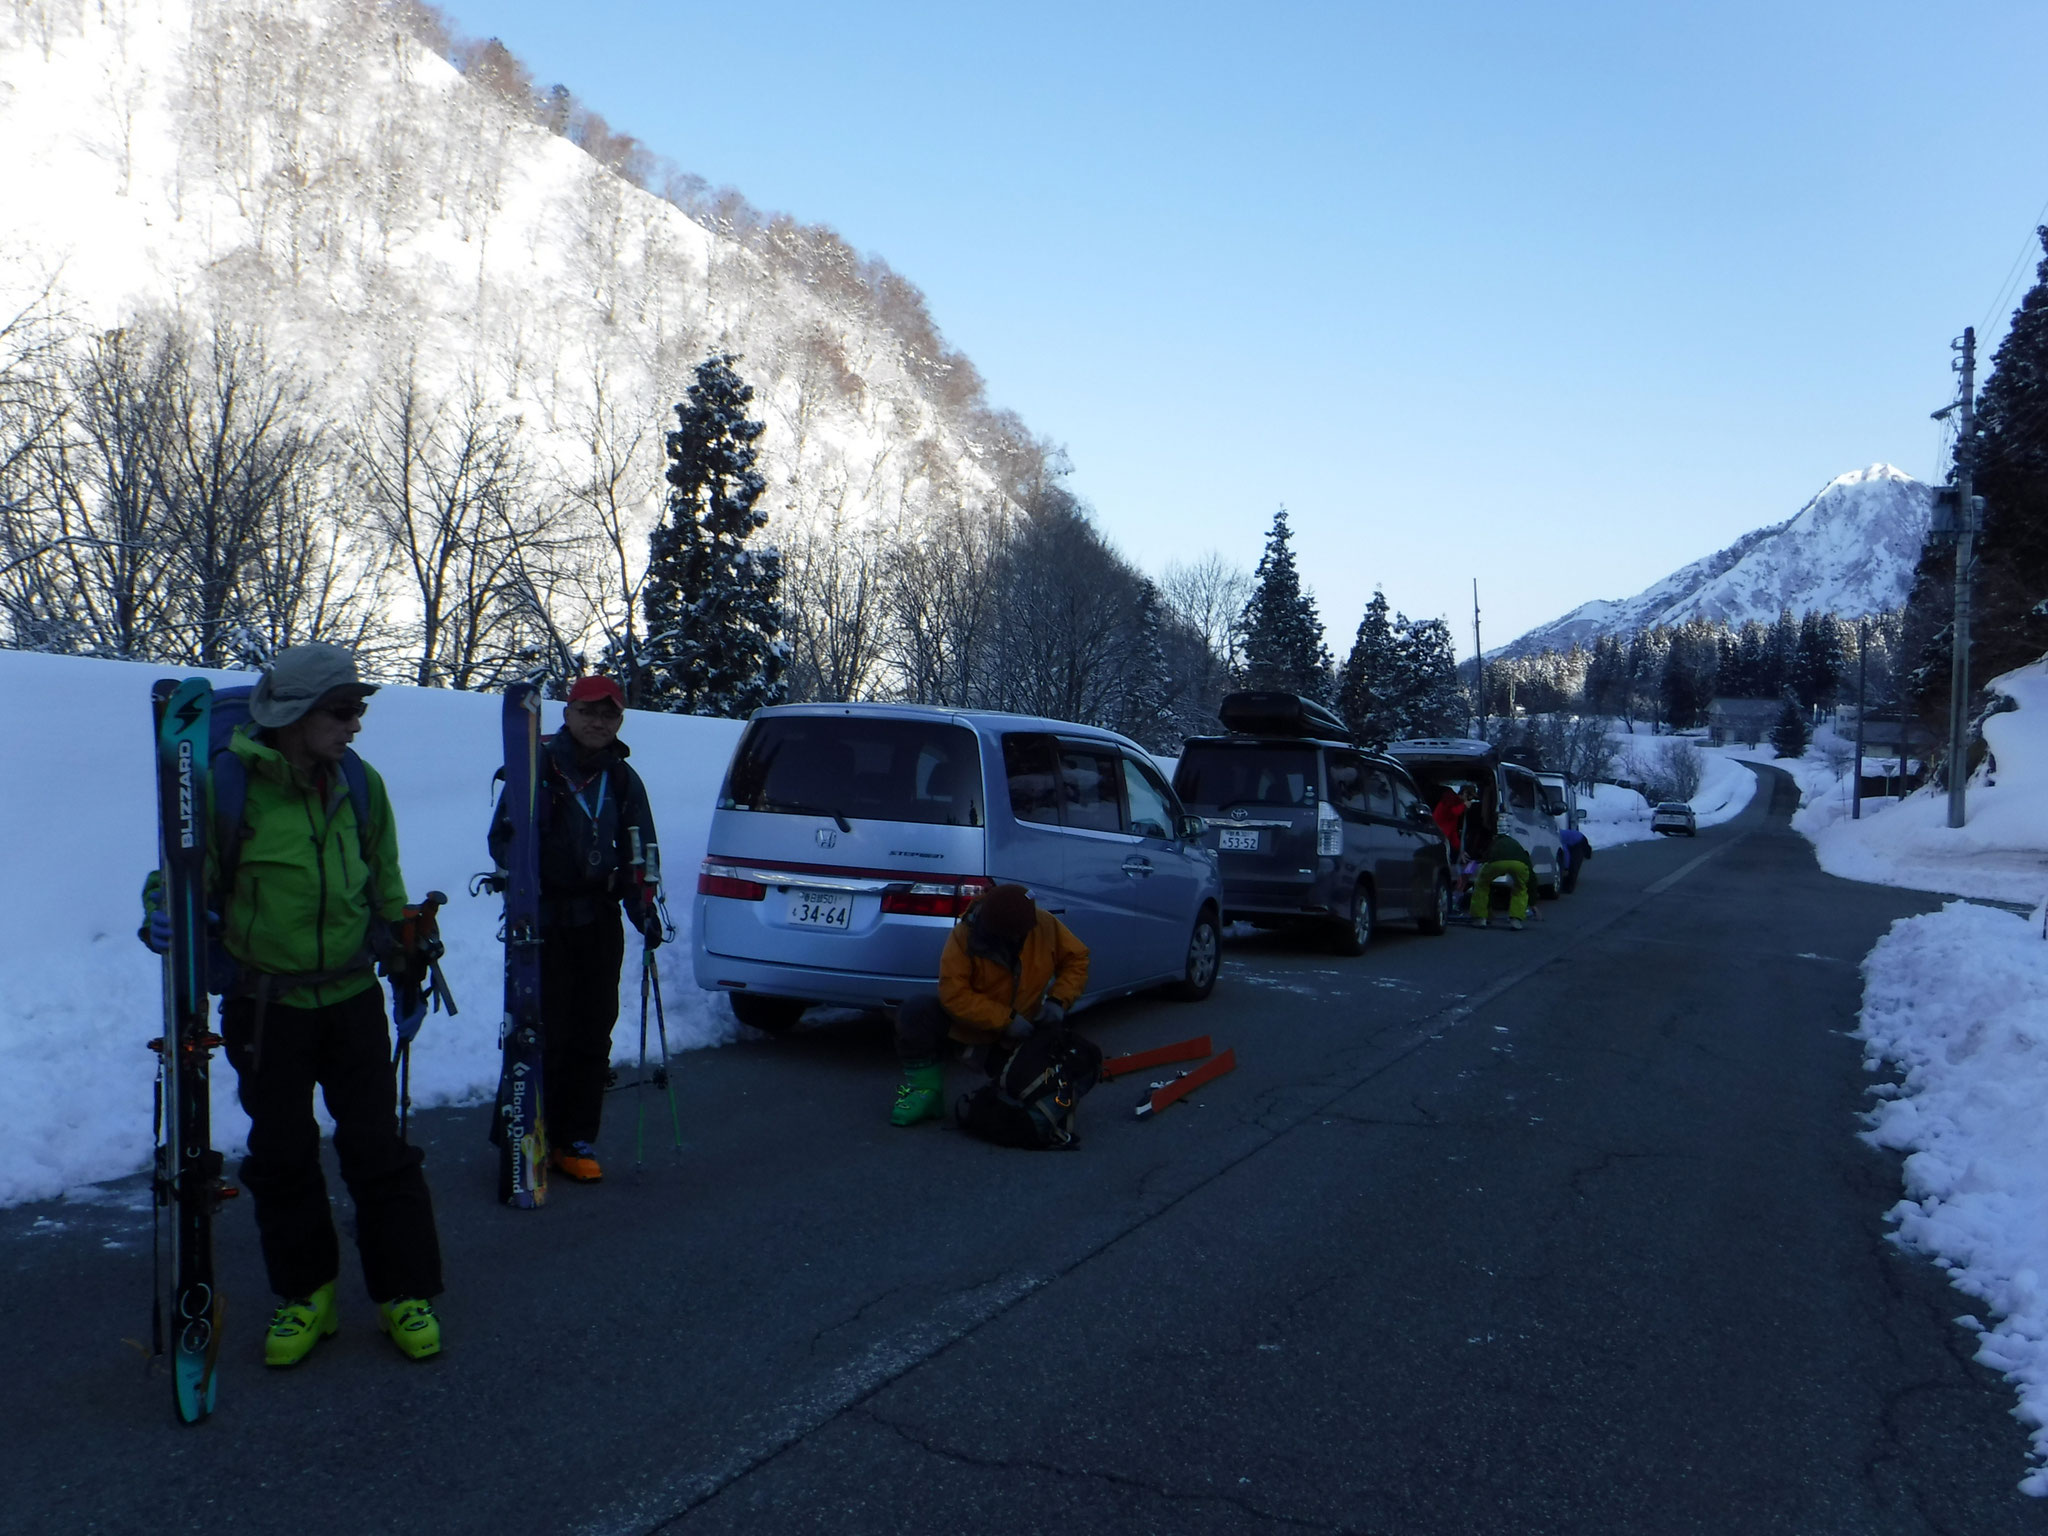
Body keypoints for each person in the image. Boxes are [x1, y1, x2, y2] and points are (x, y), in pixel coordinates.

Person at [139, 644, 445, 1366]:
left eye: (358, 709)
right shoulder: (225, 787)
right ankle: (307, 1295)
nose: (355, 724)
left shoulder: (361, 786)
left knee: (379, 1148)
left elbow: (383, 883)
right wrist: (162, 912)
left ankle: (404, 1292)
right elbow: (180, 876)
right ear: (297, 714)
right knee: (281, 1155)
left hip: (351, 999)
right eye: (342, 710)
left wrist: (406, 957)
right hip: (265, 1006)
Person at [487, 675, 661, 1185]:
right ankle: (523, 1130)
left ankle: (575, 1138)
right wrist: (525, 866)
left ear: (620, 721)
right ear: (568, 713)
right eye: (589, 711)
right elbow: (500, 840)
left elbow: (640, 853)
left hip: (599, 921)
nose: (598, 722)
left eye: (609, 715)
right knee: (543, 1032)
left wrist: (644, 907)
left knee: (592, 1030)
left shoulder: (624, 780)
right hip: (543, 922)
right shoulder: (534, 765)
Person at [889, 884, 1089, 1126]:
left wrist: (1058, 1001)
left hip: (1020, 1035)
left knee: (1037, 1079)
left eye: (1022, 933)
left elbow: (1076, 959)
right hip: (971, 1027)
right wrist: (1006, 1020)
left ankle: (1014, 1083)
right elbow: (953, 993)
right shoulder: (965, 934)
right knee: (916, 1011)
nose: (1018, 939)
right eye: (1012, 935)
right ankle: (927, 1094)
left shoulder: (1043, 924)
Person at [1469, 827, 1537, 930]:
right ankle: (1516, 920)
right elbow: (1532, 879)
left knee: (1482, 884)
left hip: (1497, 862)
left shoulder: (1494, 843)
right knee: (1520, 889)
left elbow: (1486, 859)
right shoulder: (1516, 846)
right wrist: (1533, 903)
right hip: (1520, 864)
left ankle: (1480, 918)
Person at [1558, 824, 1593, 894]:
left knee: (1574, 866)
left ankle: (1569, 888)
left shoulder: (1558, 837)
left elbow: (1565, 852)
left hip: (1578, 841)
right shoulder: (1557, 833)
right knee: (1574, 864)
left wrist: (1566, 867)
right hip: (1578, 838)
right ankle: (1566, 884)